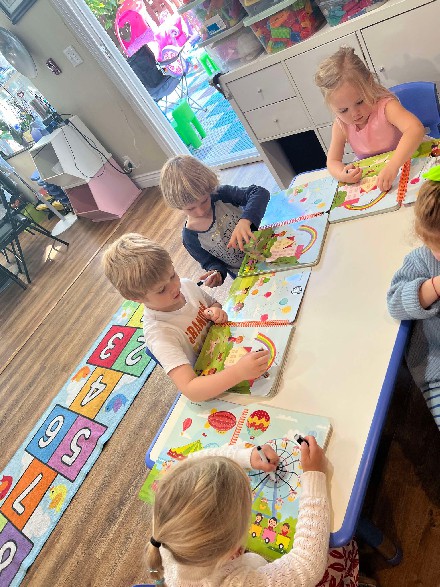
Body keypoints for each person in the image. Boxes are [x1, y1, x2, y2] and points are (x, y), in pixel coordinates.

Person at [144, 437, 359, 586]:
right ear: (233, 548)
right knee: (339, 552)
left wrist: (246, 457)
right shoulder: (237, 583)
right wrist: (314, 476)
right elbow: (306, 565)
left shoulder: (167, 523)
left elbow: (190, 463)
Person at [102, 233, 270, 401]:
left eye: (172, 275)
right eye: (161, 290)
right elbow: (191, 390)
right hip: (215, 385)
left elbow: (214, 304)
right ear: (136, 299)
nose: (175, 286)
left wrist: (215, 311)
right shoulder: (159, 334)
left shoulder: (186, 285)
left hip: (232, 349)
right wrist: (238, 373)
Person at [315, 47, 425, 192]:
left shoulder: (386, 107)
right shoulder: (341, 125)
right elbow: (332, 161)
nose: (354, 114)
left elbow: (415, 129)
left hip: (410, 162)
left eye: (360, 102)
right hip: (379, 179)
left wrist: (393, 166)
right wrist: (342, 173)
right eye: (343, 110)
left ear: (370, 84)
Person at [159, 155, 270, 287]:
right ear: (178, 206)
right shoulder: (190, 238)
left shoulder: (221, 195)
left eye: (204, 201)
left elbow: (259, 192)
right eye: (191, 208)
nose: (200, 211)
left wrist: (245, 220)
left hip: (269, 247)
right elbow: (211, 262)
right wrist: (217, 273)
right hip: (246, 275)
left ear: (210, 190)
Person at [387, 165, 440, 430]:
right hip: (436, 369)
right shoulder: (420, 260)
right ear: (424, 238)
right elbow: (395, 303)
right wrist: (435, 286)